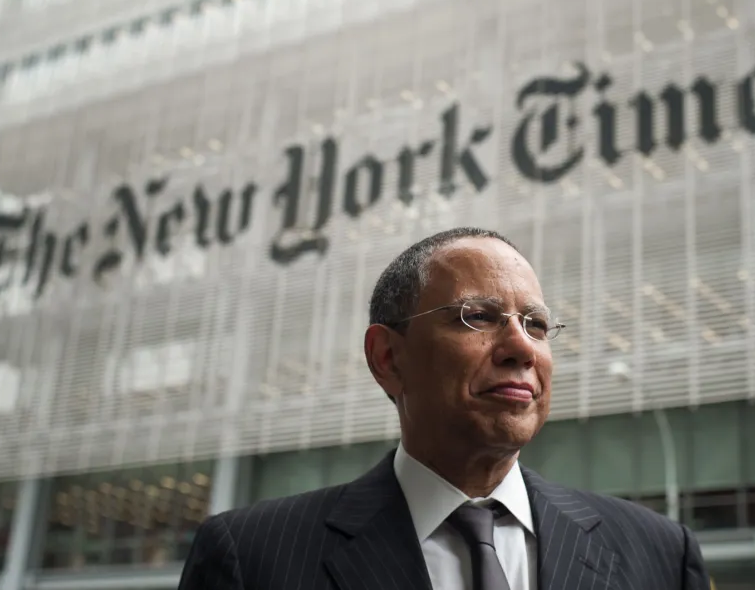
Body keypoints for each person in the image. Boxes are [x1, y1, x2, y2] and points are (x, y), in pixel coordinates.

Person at [179, 227, 710, 590]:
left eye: (537, 325)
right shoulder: (252, 558)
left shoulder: (659, 554)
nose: (521, 347)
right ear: (388, 357)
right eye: (477, 316)